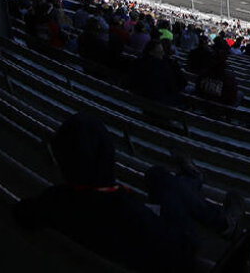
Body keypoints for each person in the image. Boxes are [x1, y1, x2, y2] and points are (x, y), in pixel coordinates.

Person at [14, 112, 193, 271]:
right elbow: (183, 250)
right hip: (162, 230)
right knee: (164, 180)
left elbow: (24, 212)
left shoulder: (55, 200)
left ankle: (190, 179)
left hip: (115, 222)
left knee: (161, 178)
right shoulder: (130, 213)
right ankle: (193, 180)